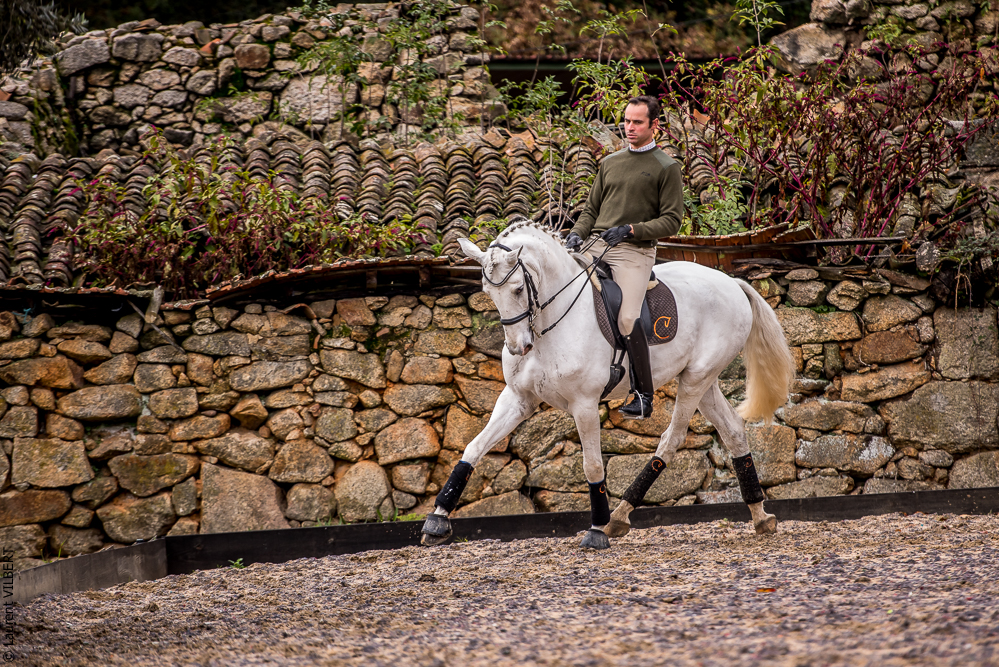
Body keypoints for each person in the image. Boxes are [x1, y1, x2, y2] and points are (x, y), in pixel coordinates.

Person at [565, 95, 683, 419]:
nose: (629, 128)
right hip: (596, 242)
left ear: (654, 125)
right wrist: (578, 232)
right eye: (627, 121)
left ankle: (643, 395)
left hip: (635, 251)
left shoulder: (667, 167)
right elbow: (591, 210)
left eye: (637, 122)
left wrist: (632, 230)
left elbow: (672, 220)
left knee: (628, 318)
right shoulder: (610, 163)